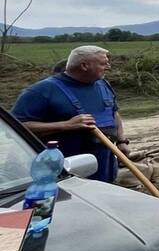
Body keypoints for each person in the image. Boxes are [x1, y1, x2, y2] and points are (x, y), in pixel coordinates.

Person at [12, 45, 128, 182]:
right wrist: (66, 125)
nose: (108, 67)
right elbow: (16, 128)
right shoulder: (40, 92)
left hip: (105, 167)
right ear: (84, 66)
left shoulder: (103, 85)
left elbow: (113, 113)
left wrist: (121, 141)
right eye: (103, 63)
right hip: (63, 172)